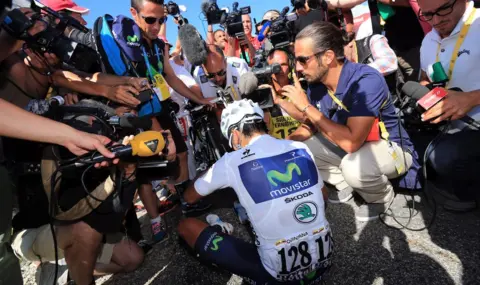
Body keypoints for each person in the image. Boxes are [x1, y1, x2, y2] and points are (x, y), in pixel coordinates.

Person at [178, 99, 332, 284]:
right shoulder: (299, 147)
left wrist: (211, 170)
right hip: (322, 266)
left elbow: (190, 197)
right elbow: (323, 196)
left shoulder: (231, 160)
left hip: (276, 277)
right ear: (262, 122)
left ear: (235, 135)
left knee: (186, 227)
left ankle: (247, 266)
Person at [281, 22, 419, 221]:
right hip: (356, 148)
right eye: (296, 60)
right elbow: (312, 123)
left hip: (394, 150)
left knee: (354, 166)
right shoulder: (316, 85)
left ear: (328, 57)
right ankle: (344, 183)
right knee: (298, 151)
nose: (298, 68)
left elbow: (352, 142)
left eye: (303, 60)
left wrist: (305, 107)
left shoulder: (365, 80)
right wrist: (284, 145)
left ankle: (382, 197)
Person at [128, 0, 213, 234]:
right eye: (150, 20)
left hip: (161, 105)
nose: (156, 26)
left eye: (161, 20)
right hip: (137, 111)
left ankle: (186, 202)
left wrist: (199, 100)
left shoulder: (158, 45)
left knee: (181, 154)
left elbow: (171, 78)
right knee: (145, 170)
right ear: (134, 14)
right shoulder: (126, 43)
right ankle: (156, 223)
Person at [418, 0, 480, 210]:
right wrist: (425, 93)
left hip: (476, 123)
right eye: (427, 15)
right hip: (447, 121)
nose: (436, 21)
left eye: (443, 9)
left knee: (443, 157)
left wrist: (472, 98)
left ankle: (469, 194)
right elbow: (426, 79)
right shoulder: (428, 41)